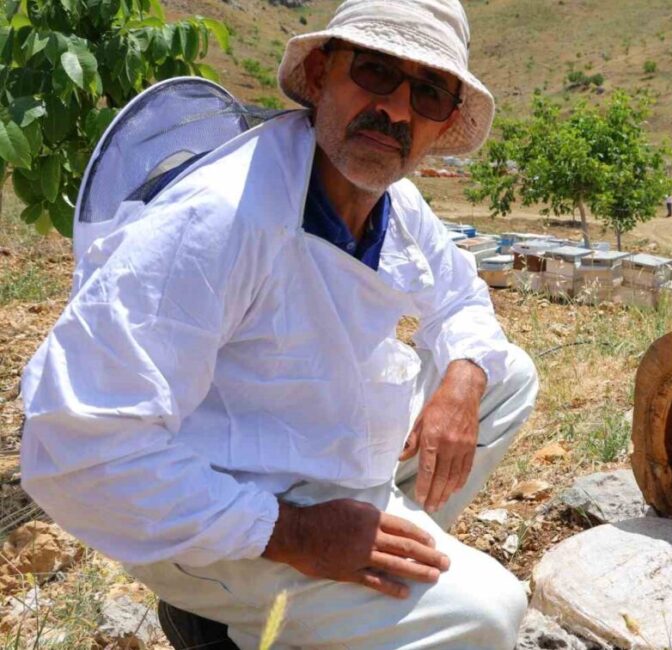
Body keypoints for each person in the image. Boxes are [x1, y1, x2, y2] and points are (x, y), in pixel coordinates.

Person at [19, 1, 538, 648]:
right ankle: (248, 601)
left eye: (428, 94)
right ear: (321, 74)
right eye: (376, 73)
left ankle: (356, 592)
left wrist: (462, 381)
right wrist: (295, 534)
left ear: (444, 125)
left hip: (308, 456)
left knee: (503, 375)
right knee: (488, 613)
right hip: (209, 503)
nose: (398, 111)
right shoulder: (218, 218)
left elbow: (462, 300)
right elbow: (74, 448)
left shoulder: (393, 203)